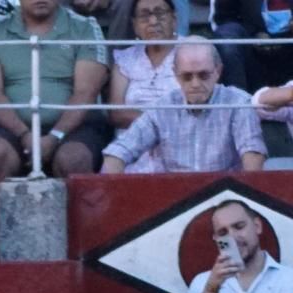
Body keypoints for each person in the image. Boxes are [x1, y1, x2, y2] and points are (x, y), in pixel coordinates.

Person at [0, 0, 108, 178]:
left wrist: (55, 136)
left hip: (73, 128)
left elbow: (86, 92)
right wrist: (24, 134)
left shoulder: (85, 27)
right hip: (10, 127)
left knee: (74, 159)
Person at [103, 39, 265, 172]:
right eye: (187, 76)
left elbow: (253, 154)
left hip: (225, 195)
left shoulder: (238, 103)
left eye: (203, 75)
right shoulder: (162, 108)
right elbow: (120, 150)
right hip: (174, 195)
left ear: (218, 71)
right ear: (175, 74)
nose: (195, 84)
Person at [107, 0, 181, 173]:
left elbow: (194, 109)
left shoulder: (190, 51)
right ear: (134, 25)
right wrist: (164, 121)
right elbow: (117, 114)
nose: (153, 21)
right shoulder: (125, 59)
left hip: (179, 145)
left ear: (174, 19)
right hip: (132, 149)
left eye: (160, 13)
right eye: (145, 15)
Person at [186, 198, 293, 293]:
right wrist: (213, 286)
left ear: (257, 226)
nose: (232, 237)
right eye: (223, 232)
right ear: (217, 239)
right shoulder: (203, 283)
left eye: (239, 227)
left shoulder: (288, 279)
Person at [210, 0, 293, 92]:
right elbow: (223, 18)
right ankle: (238, 102)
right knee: (227, 38)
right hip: (251, 54)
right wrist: (254, 33)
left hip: (289, 54)